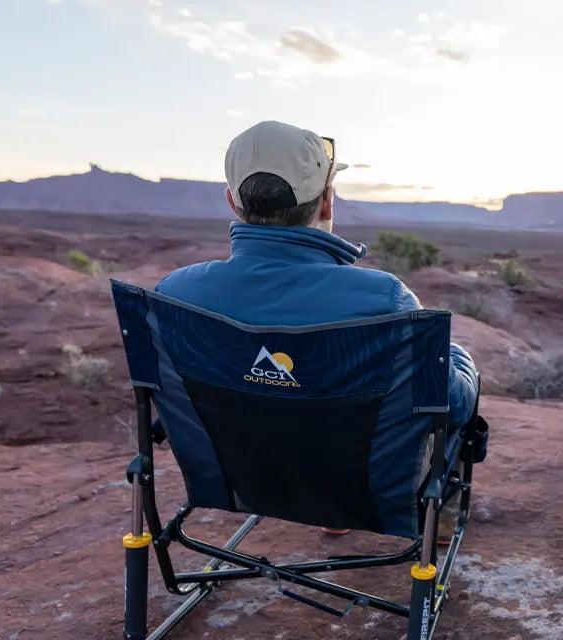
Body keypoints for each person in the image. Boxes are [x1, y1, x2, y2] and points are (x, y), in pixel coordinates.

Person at [155, 120, 478, 535]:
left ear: (233, 203)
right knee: (451, 375)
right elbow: (453, 406)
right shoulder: (383, 301)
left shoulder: (176, 294)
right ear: (327, 202)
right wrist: (459, 360)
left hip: (238, 477)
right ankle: (417, 516)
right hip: (363, 489)